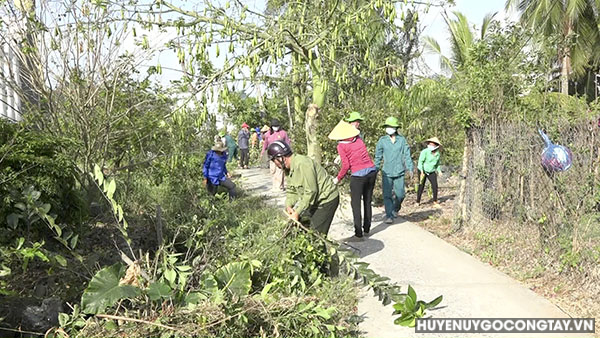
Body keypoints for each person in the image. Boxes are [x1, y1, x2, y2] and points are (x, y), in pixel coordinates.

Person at [267, 140, 339, 235]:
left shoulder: (303, 164)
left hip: (326, 199)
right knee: (301, 229)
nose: (274, 164)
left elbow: (311, 192)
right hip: (314, 200)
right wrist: (289, 205)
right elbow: (291, 190)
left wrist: (297, 212)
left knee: (315, 235)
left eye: (273, 160)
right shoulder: (288, 168)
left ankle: (320, 248)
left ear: (280, 158)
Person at [329, 120, 377, 238]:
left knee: (355, 204)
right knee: (367, 201)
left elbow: (346, 166)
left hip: (358, 176)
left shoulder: (341, 145)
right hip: (371, 171)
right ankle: (367, 229)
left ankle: (358, 234)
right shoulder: (358, 139)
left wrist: (337, 178)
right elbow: (357, 152)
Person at [374, 116, 414, 224]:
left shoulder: (402, 140)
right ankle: (389, 215)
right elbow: (378, 157)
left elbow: (407, 155)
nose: (389, 128)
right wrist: (375, 169)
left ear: (396, 128)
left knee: (400, 194)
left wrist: (410, 168)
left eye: (391, 126)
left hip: (399, 171)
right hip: (386, 172)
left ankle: (396, 208)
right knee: (387, 195)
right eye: (387, 126)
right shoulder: (382, 141)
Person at [261, 119, 291, 191]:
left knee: (280, 170)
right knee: (273, 170)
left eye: (277, 126)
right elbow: (265, 144)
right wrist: (262, 152)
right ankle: (275, 186)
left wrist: (288, 153)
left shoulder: (283, 133)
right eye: (274, 126)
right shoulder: (268, 134)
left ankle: (280, 186)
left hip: (281, 155)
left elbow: (287, 142)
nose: (276, 128)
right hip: (271, 155)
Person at [417, 137, 442, 207]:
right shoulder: (424, 152)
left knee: (435, 186)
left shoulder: (437, 154)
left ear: (436, 146)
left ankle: (435, 200)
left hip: (432, 171)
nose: (430, 146)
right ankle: (418, 201)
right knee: (421, 185)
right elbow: (420, 162)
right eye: (429, 144)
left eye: (432, 144)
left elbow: (437, 164)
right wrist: (421, 171)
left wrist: (439, 171)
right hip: (423, 170)